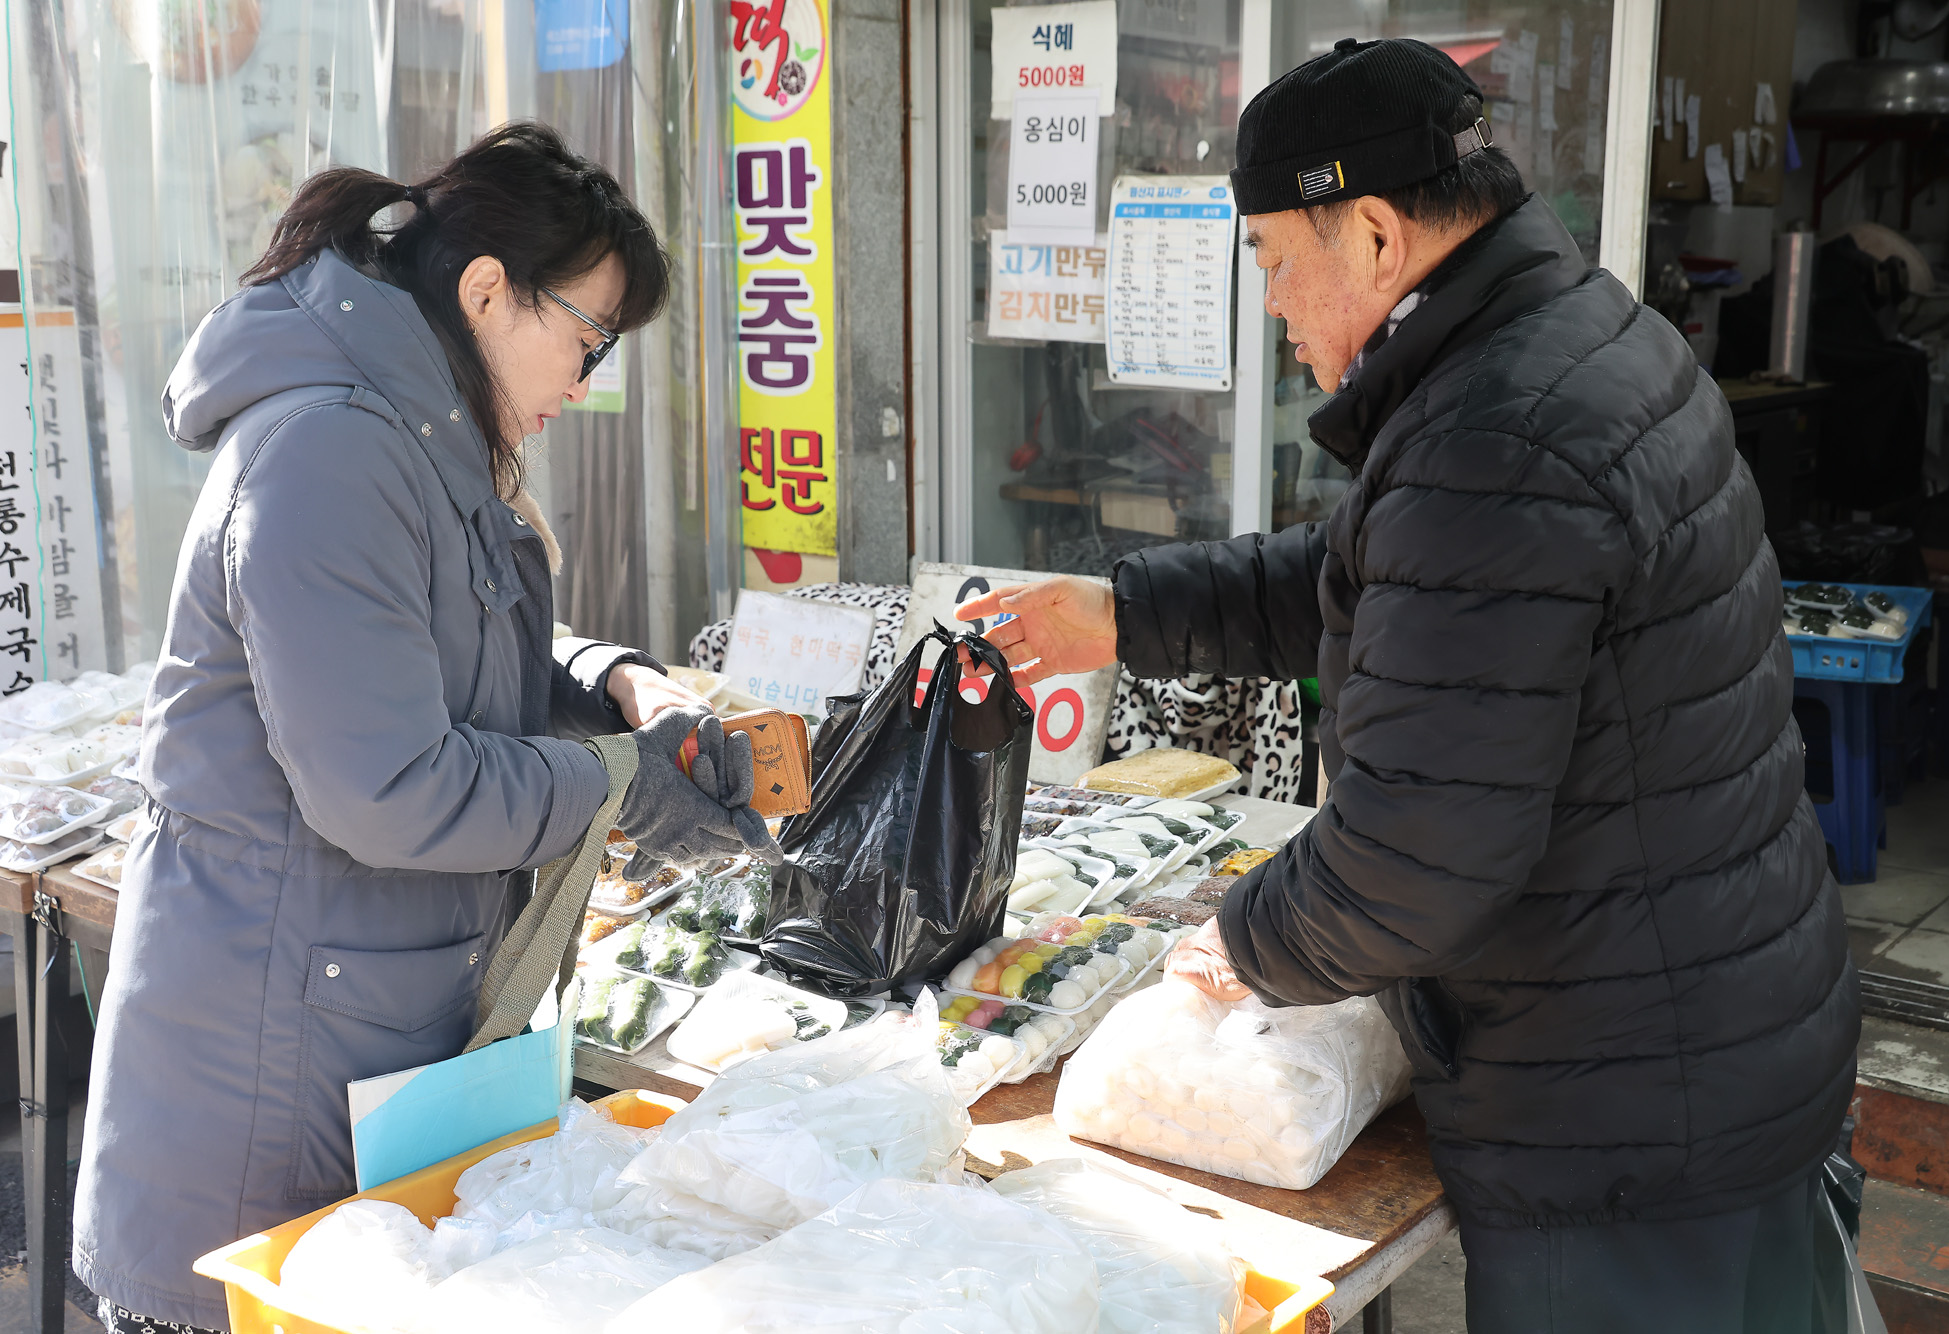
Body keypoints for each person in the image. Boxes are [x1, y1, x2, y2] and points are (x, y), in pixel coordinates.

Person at [959, 39, 1858, 1334]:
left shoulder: (1493, 431)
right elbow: (1385, 575)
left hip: (1634, 1132)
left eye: (1270, 257)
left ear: (1374, 234)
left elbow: (1414, 862)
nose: (1267, 301)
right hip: (1713, 1035)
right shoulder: (1566, 343)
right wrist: (1126, 610)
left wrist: (1242, 940)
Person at [72, 123, 775, 1333]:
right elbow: (386, 783)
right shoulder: (332, 452)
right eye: (589, 338)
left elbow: (451, 635)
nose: (587, 379)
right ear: (488, 288)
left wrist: (611, 684)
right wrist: (613, 784)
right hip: (263, 1081)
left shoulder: (419, 433)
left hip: (351, 1030)